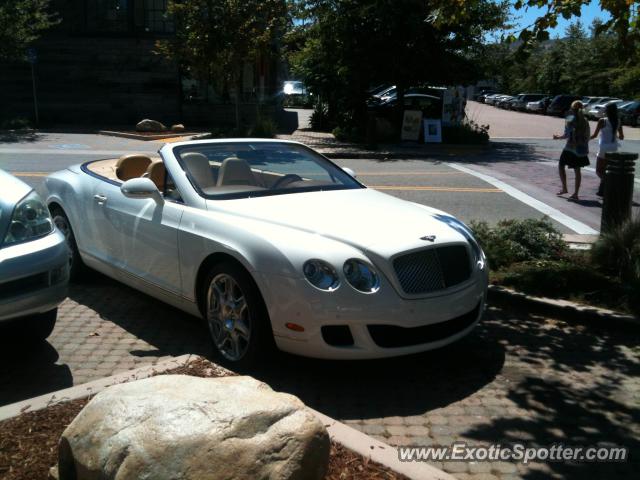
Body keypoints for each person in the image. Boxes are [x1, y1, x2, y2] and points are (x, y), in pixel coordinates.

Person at [553, 100, 591, 201]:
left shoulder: (570, 119)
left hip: (570, 147)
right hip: (580, 148)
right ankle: (576, 193)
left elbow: (567, 134)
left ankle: (565, 188)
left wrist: (558, 137)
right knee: (577, 170)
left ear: (572, 108)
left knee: (561, 165)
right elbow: (588, 136)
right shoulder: (585, 120)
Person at [590, 102, 624, 196]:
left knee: (599, 170)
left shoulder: (602, 121)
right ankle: (602, 190)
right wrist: (615, 134)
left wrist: (585, 139)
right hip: (614, 147)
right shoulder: (618, 121)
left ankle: (608, 183)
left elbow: (595, 135)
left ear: (607, 111)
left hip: (603, 148)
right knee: (607, 169)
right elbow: (621, 137)